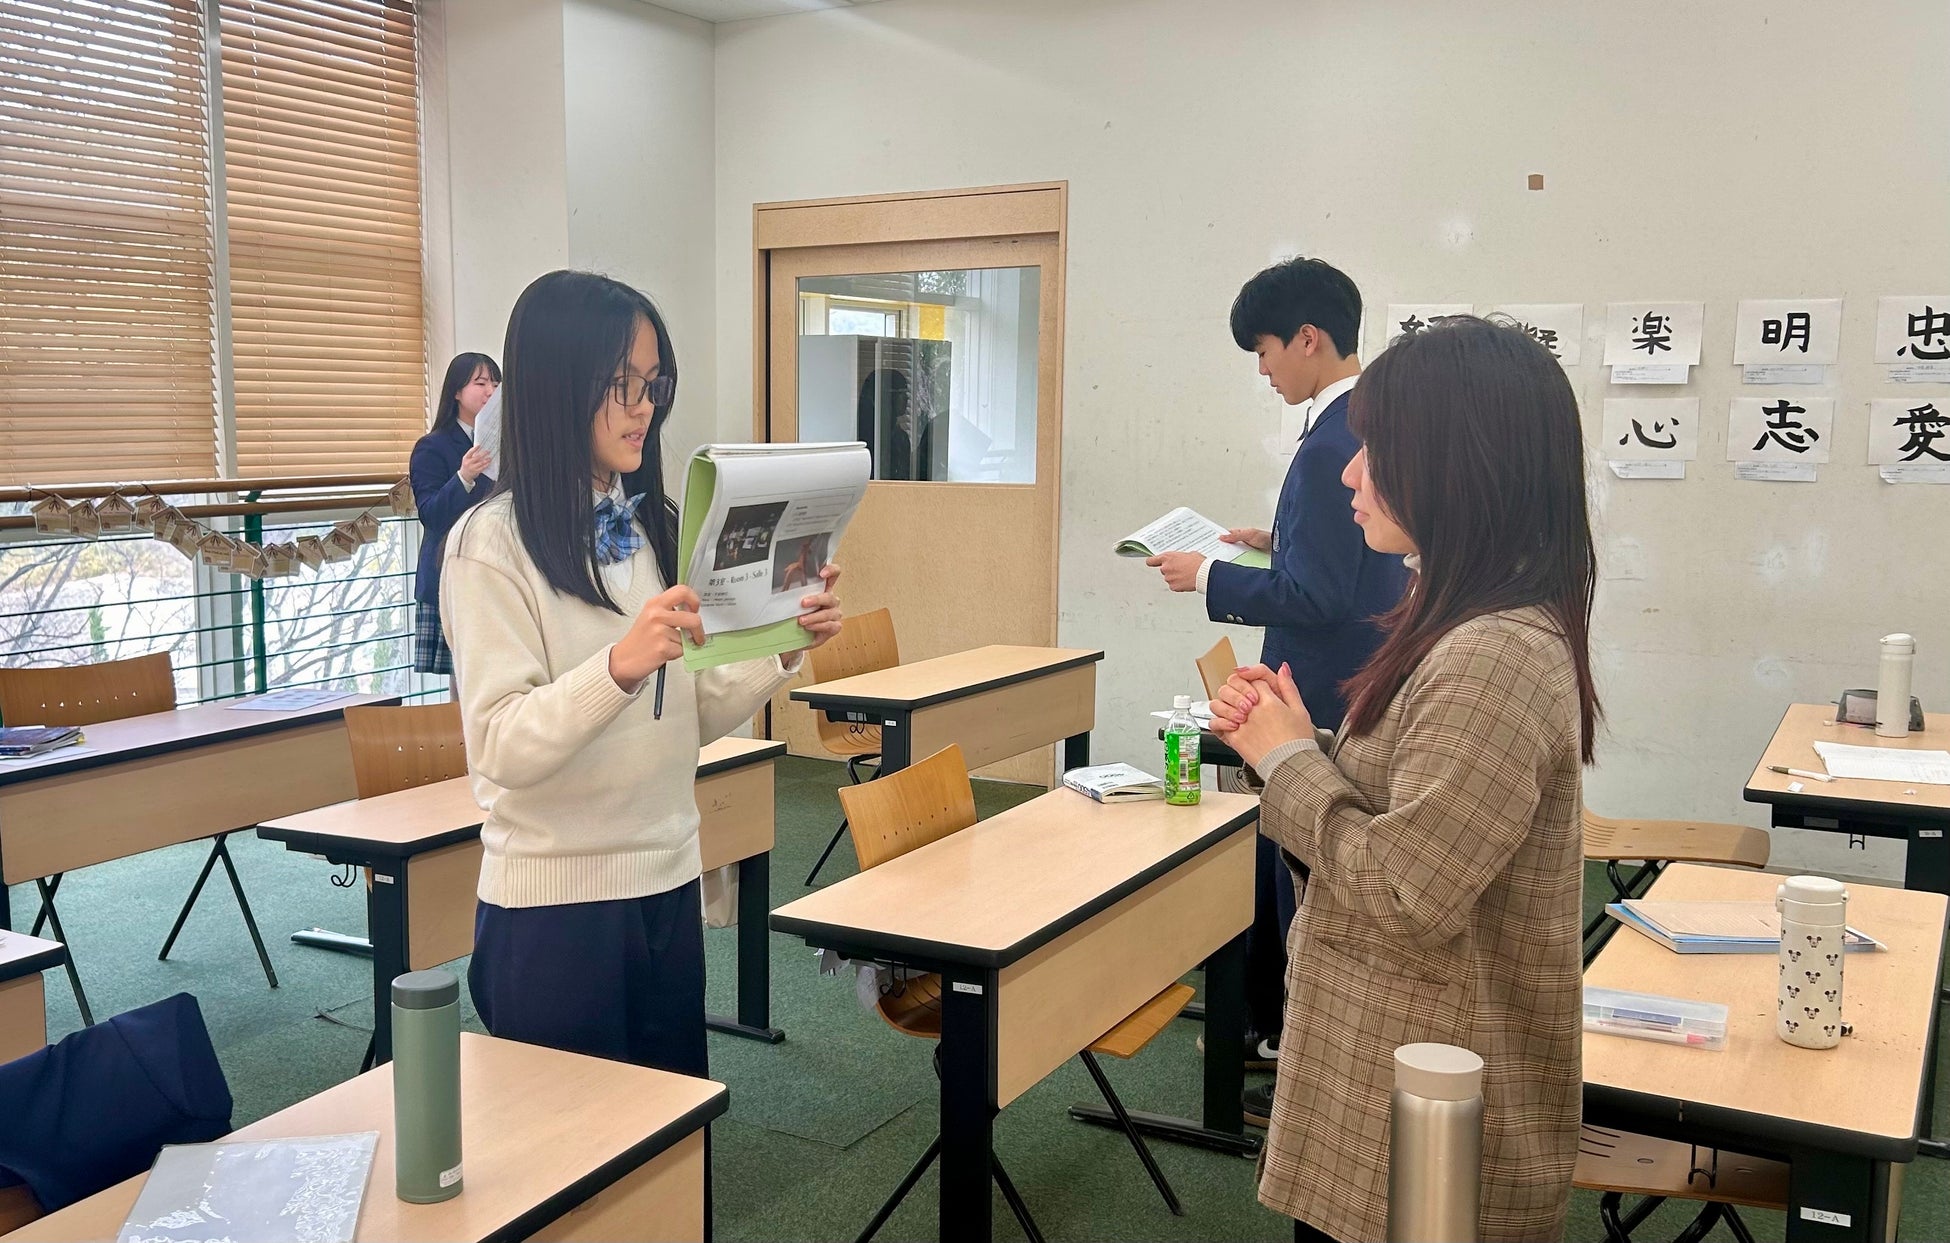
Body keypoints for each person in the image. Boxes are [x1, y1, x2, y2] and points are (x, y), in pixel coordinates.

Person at [1209, 316, 1595, 1243]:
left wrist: (1286, 760)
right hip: (1394, 1070)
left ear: (1457, 467)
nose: (1351, 473)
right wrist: (1295, 738)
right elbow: (1408, 800)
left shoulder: (1493, 652)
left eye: (1376, 450)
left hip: (1427, 1113)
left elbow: (1404, 888)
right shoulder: (1463, 616)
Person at [441, 270, 843, 1076]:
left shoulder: (642, 526)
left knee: (672, 1138)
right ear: (558, 385)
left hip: (665, 877)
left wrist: (779, 646)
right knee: (577, 1149)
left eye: (652, 384)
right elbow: (499, 745)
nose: (643, 407)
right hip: (556, 909)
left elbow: (682, 714)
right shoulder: (490, 543)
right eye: (621, 383)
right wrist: (619, 667)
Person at [1147, 257, 1409, 1120]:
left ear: (1307, 338)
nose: (1262, 370)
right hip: (1354, 670)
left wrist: (1207, 575)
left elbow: (1319, 597)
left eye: (1263, 350)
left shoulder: (1335, 438)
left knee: (1298, 864)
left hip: (1324, 688)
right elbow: (1341, 562)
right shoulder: (1364, 420)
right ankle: (1269, 1021)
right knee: (1288, 863)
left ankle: (1278, 1031)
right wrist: (1274, 540)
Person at [409, 352, 500, 678]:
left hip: (497, 570)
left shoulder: (508, 442)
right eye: (480, 383)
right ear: (457, 392)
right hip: (451, 570)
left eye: (495, 384)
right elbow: (431, 514)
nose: (490, 391)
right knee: (463, 680)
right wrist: (464, 477)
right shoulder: (432, 446)